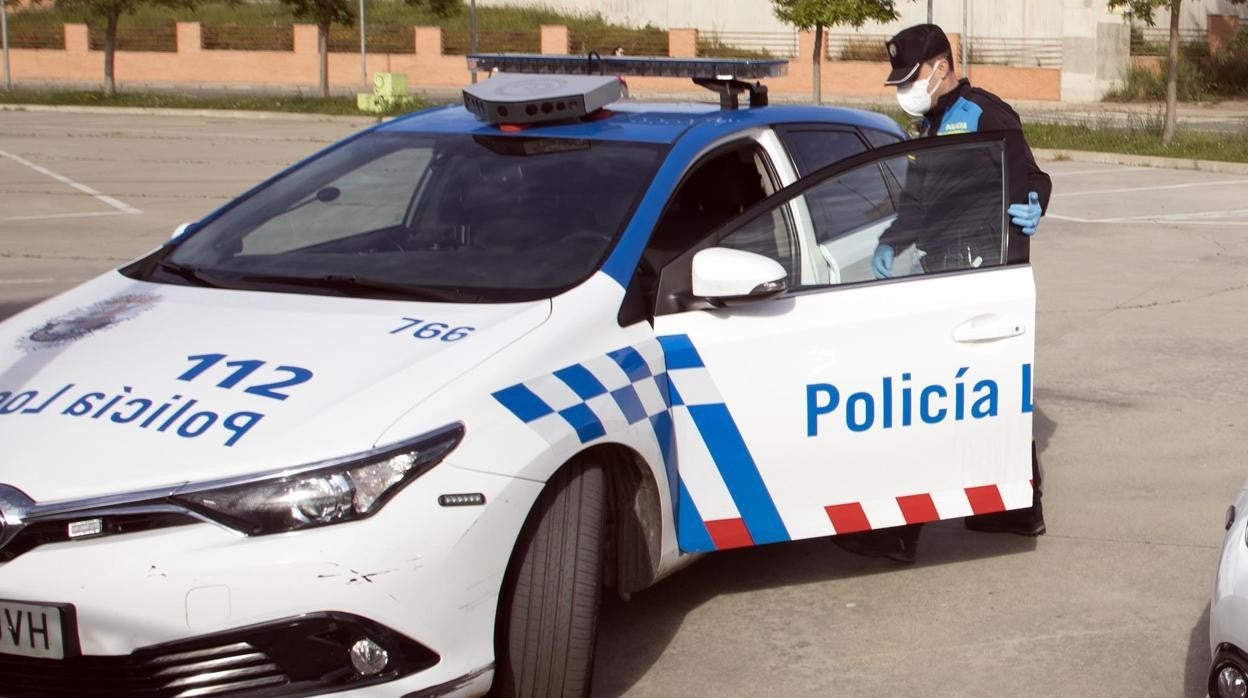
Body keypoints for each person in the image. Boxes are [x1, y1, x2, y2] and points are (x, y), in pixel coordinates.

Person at [833, 24, 1051, 565]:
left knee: (934, 398)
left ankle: (902, 530)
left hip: (979, 269)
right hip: (947, 270)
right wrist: (891, 241)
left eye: (912, 76)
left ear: (939, 66)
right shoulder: (929, 124)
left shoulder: (984, 114)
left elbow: (1032, 177)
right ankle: (1015, 511)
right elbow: (917, 203)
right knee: (979, 393)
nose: (906, 87)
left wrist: (1034, 203)